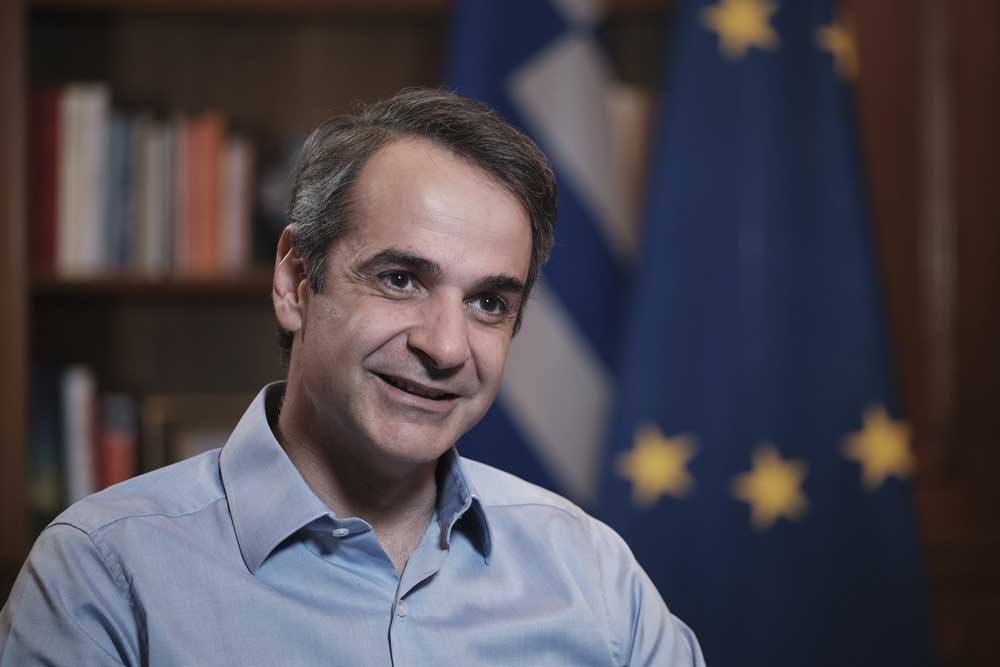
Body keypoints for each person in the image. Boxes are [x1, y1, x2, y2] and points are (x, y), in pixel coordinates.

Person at [0, 88, 704, 666]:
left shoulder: (594, 576)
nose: (445, 346)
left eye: (489, 303)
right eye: (401, 279)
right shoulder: (104, 574)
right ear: (295, 281)